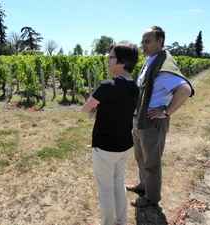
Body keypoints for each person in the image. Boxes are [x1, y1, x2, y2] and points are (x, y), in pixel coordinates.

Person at [127, 26, 195, 208]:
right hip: (140, 119)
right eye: (142, 41)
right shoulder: (152, 60)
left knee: (152, 162)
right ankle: (143, 186)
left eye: (147, 41)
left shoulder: (164, 67)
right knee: (141, 158)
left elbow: (185, 90)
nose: (143, 45)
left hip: (152, 123)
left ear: (160, 41)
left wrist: (166, 112)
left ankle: (151, 198)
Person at [82, 41, 139, 225]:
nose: (108, 60)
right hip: (124, 145)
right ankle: (121, 221)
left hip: (105, 146)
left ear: (121, 62)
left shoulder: (107, 85)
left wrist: (92, 100)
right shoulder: (134, 87)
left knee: (105, 189)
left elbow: (86, 109)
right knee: (119, 183)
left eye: (111, 57)